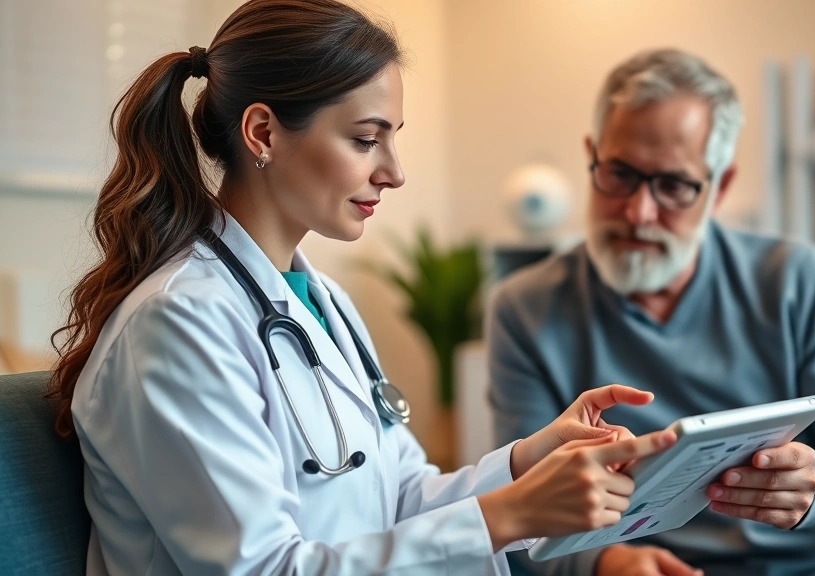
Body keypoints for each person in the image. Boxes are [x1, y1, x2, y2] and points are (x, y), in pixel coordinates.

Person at [46, 2, 678, 574]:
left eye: (392, 140)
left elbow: (399, 497)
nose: (394, 172)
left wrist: (528, 462)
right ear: (263, 133)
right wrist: (507, 515)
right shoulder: (178, 322)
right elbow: (260, 569)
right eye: (365, 139)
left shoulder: (321, 305)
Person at [488, 48, 815, 576]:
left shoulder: (794, 279)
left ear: (719, 187)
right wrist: (606, 560)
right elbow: (522, 512)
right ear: (592, 157)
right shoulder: (525, 308)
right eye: (620, 174)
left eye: (674, 186)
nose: (639, 212)